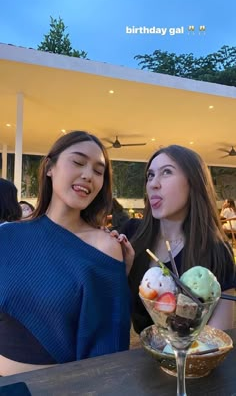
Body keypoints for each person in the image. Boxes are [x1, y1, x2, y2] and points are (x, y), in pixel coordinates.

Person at [0, 131, 132, 376]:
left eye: (98, 171)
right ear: (50, 167)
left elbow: (108, 348)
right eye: (78, 162)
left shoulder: (104, 248)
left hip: (55, 389)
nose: (87, 175)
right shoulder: (7, 236)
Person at [121, 145, 236, 334]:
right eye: (150, 175)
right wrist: (121, 273)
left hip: (194, 357)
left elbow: (219, 333)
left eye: (166, 172)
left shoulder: (216, 250)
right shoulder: (131, 235)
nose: (153, 184)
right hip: (140, 356)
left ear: (193, 183)